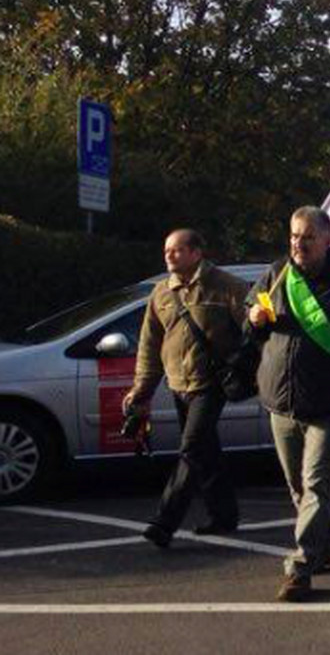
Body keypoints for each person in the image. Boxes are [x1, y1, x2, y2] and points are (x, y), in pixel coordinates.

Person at [247, 206, 330, 602]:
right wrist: (253, 319)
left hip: (328, 407)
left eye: (306, 237)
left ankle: (301, 568)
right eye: (293, 236)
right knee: (298, 488)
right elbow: (252, 327)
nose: (297, 244)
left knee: (316, 485)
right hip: (281, 402)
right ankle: (326, 544)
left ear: (326, 239)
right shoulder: (277, 274)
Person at [125, 229, 248, 548]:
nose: (169, 255)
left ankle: (164, 522)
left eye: (177, 250)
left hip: (211, 384)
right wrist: (142, 390)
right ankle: (224, 516)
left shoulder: (226, 286)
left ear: (196, 253)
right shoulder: (161, 293)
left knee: (191, 449)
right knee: (205, 452)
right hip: (178, 384)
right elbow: (149, 346)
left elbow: (252, 330)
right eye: (167, 250)